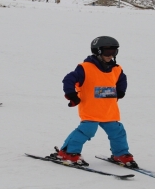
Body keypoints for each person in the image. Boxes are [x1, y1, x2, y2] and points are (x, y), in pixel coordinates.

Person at [53, 36, 136, 168]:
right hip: (91, 109)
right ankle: (68, 152)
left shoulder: (116, 69)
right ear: (97, 51)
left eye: (114, 52)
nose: (111, 55)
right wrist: (71, 95)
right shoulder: (85, 68)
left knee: (118, 131)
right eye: (107, 52)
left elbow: (122, 80)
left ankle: (121, 154)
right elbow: (69, 79)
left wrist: (121, 91)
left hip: (109, 110)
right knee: (87, 131)